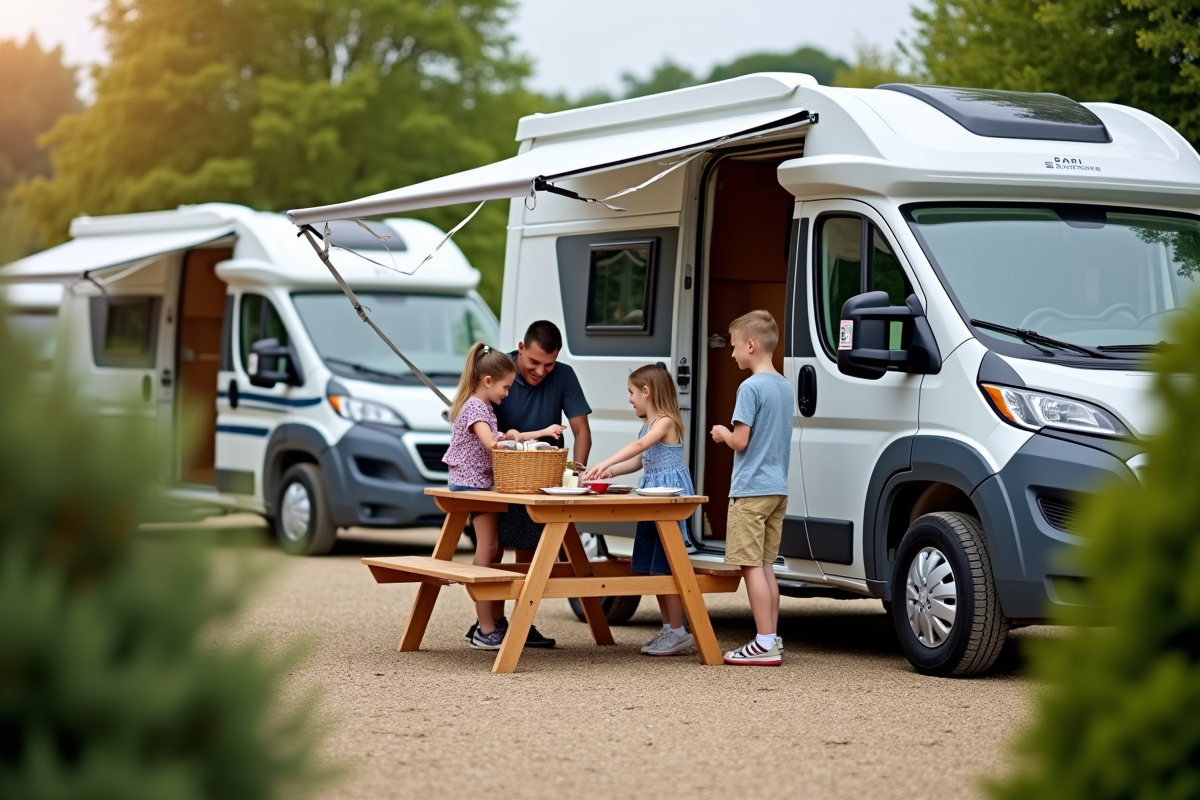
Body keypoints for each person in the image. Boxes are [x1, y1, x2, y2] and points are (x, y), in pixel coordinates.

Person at [468, 320, 591, 649]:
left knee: (529, 556)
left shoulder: (563, 376)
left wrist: (575, 471)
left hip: (537, 481)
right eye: (534, 362)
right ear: (520, 349)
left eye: (548, 364)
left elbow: (581, 431)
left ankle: (518, 624)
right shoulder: (498, 370)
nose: (541, 371)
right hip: (493, 481)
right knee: (491, 552)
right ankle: (489, 624)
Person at [442, 343, 557, 650]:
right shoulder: (476, 407)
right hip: (471, 486)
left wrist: (540, 432)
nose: (508, 393)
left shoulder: (484, 407)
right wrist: (509, 441)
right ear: (488, 381)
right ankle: (485, 627)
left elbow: (501, 437)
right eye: (506, 387)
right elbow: (491, 443)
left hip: (478, 485)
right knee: (489, 548)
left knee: (493, 552)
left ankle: (490, 622)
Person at [585, 364, 696, 656]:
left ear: (647, 392)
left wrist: (606, 462)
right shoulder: (649, 423)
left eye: (632, 393)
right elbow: (639, 461)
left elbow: (640, 445)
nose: (630, 399)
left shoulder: (665, 421)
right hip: (652, 500)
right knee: (652, 566)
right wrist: (608, 473)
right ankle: (670, 629)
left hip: (667, 502)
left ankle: (678, 632)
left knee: (665, 566)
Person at [710, 310, 793, 666]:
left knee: (749, 567)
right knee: (766, 565)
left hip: (751, 489)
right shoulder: (784, 386)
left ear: (750, 345)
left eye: (733, 347)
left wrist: (722, 433)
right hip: (777, 489)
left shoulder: (750, 387)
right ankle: (771, 638)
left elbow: (741, 441)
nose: (731, 354)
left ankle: (762, 642)